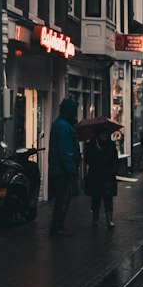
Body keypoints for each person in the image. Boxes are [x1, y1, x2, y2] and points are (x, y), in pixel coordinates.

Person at [48, 96, 80, 235]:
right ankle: (57, 227)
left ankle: (57, 226)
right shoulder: (64, 127)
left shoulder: (60, 124)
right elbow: (66, 151)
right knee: (63, 198)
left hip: (58, 169)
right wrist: (72, 170)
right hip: (62, 171)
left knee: (62, 198)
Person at [84, 130, 119, 230]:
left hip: (108, 175)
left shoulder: (111, 145)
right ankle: (95, 219)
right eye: (103, 133)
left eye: (106, 133)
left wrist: (114, 170)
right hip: (95, 175)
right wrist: (96, 152)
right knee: (96, 198)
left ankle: (109, 220)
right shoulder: (92, 144)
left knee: (108, 198)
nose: (105, 135)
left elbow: (115, 159)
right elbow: (87, 160)